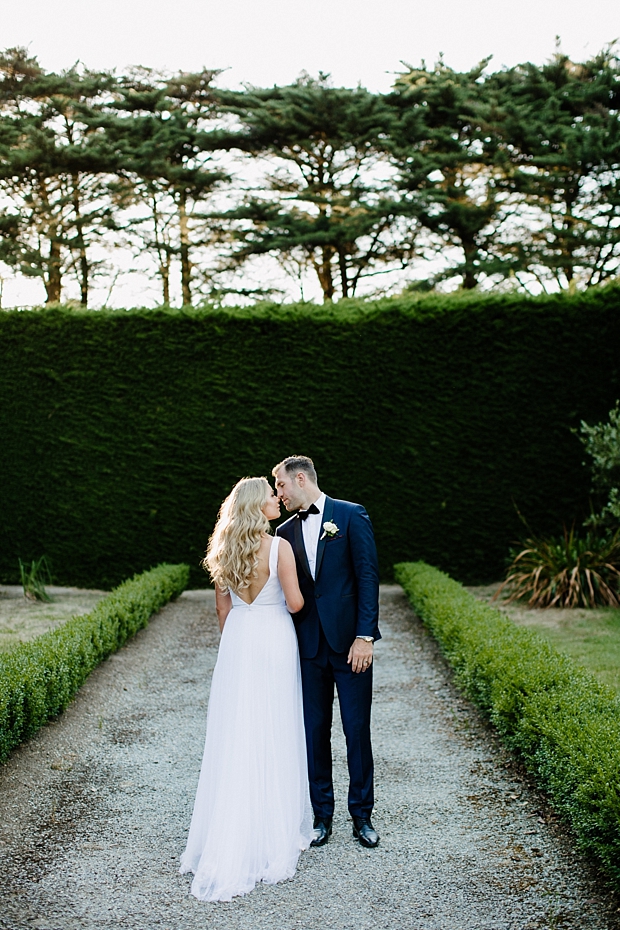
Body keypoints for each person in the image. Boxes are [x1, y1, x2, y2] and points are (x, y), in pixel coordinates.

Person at [180, 477, 313, 902]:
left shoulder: (222, 549)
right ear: (258, 507)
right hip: (274, 638)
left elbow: (223, 608)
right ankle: (272, 830)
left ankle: (231, 826)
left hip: (237, 641)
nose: (277, 499)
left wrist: (238, 637)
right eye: (270, 497)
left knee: (236, 733)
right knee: (274, 727)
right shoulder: (279, 548)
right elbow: (295, 604)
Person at [273, 455, 381, 849]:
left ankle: (362, 817)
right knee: (314, 733)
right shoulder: (283, 532)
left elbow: (368, 577)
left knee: (356, 731)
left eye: (282, 485)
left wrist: (365, 637)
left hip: (351, 646)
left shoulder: (351, 516)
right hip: (308, 649)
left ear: (300, 479)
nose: (279, 494)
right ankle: (322, 817)